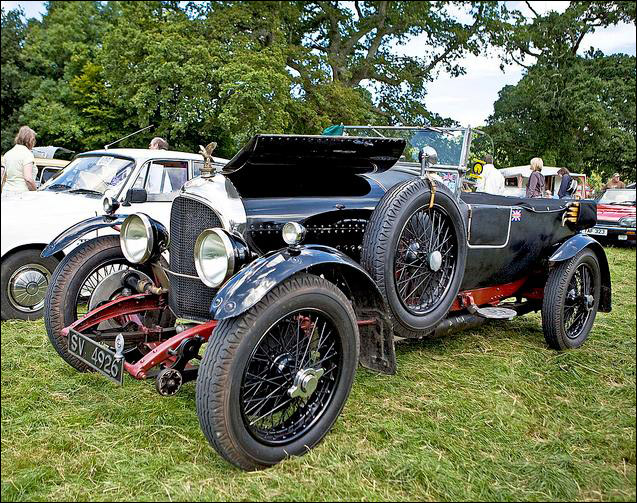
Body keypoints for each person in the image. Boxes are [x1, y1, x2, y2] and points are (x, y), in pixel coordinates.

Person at [2, 126, 38, 193]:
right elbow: (28, 179)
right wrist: (35, 192)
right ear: (30, 140)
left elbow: (2, 176)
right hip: (21, 194)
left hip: (6, 191)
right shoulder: (27, 154)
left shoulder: (7, 154)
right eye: (34, 140)